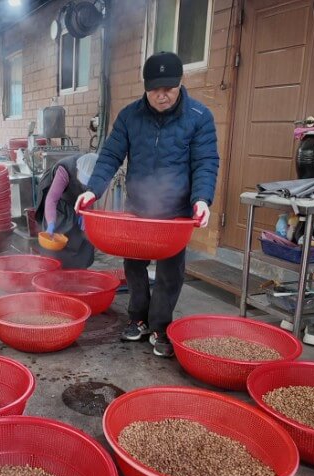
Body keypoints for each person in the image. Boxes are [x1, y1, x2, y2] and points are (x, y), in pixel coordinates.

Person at [75, 52, 219, 357]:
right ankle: (137, 318)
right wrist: (93, 191)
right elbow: (111, 156)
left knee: (170, 272)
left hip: (176, 212)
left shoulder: (199, 116)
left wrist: (202, 200)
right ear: (146, 86)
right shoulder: (130, 116)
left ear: (180, 84)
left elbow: (206, 162)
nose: (161, 95)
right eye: (155, 89)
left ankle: (161, 327)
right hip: (138, 208)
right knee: (135, 266)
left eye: (168, 88)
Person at [34, 153, 97, 269]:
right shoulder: (65, 170)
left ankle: (78, 274)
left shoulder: (98, 174)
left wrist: (85, 215)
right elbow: (51, 200)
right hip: (59, 204)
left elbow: (91, 198)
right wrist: (51, 224)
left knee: (84, 241)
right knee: (57, 242)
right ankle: (56, 273)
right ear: (78, 171)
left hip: (78, 204)